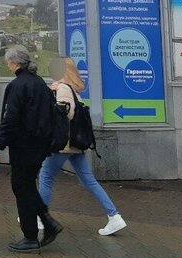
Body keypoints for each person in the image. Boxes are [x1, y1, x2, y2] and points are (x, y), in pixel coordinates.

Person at [39, 57, 127, 237]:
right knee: (88, 180)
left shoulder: (63, 88)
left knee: (46, 176)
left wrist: (52, 100)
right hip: (76, 144)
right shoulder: (73, 88)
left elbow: (65, 113)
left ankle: (40, 217)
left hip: (63, 144)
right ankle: (114, 216)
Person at [0, 46, 63, 253]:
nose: (7, 66)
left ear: (14, 63)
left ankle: (30, 236)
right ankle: (48, 222)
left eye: (8, 62)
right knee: (27, 186)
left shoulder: (17, 86)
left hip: (23, 146)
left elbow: (10, 120)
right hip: (40, 145)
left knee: (21, 187)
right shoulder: (39, 83)